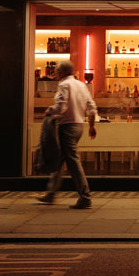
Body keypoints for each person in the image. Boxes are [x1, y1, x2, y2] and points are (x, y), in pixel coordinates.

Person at [37, 60, 97, 209]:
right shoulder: (81, 85)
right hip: (79, 126)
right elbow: (91, 106)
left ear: (63, 72)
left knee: (73, 162)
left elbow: (61, 107)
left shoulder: (64, 85)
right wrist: (91, 125)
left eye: (57, 70)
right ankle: (50, 194)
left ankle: (85, 197)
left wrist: (49, 111)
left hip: (67, 126)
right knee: (60, 159)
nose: (55, 72)